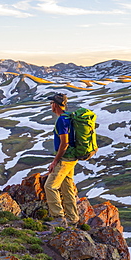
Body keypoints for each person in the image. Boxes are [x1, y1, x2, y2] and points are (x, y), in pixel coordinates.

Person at [44, 93, 79, 227]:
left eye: (51, 103)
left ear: (55, 104)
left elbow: (64, 143)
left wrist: (55, 161)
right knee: (67, 187)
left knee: (50, 186)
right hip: (72, 158)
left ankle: (58, 218)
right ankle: (72, 218)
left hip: (66, 159)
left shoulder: (61, 120)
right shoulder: (68, 117)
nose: (50, 106)